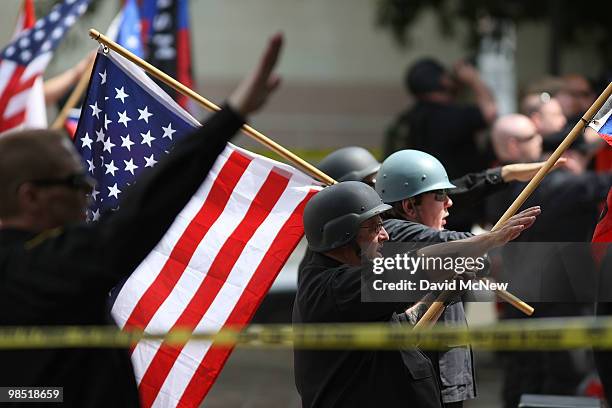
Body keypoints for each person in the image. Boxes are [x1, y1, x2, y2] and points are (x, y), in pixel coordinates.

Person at [0, 33, 284, 406]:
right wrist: (229, 118)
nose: (89, 191)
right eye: (76, 182)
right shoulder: (41, 264)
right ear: (30, 196)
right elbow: (139, 216)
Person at [293, 180, 540, 407]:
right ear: (343, 232)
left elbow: (406, 330)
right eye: (374, 226)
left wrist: (444, 293)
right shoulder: (335, 288)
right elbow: (418, 265)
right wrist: (488, 241)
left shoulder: (347, 282)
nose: (385, 235)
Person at [486, 113, 612, 408]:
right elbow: (598, 183)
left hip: (521, 301)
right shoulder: (557, 187)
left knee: (522, 379)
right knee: (558, 382)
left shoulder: (501, 185)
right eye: (534, 138)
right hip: (558, 304)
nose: (540, 142)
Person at [375, 149, 477, 407]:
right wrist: (491, 240)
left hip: (450, 385)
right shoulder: (393, 240)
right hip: (416, 391)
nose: (449, 203)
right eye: (440, 195)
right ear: (409, 206)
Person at [384, 57, 497, 180]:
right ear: (443, 81)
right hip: (460, 189)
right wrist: (473, 79)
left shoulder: (409, 117)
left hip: (424, 189)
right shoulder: (452, 115)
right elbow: (490, 112)